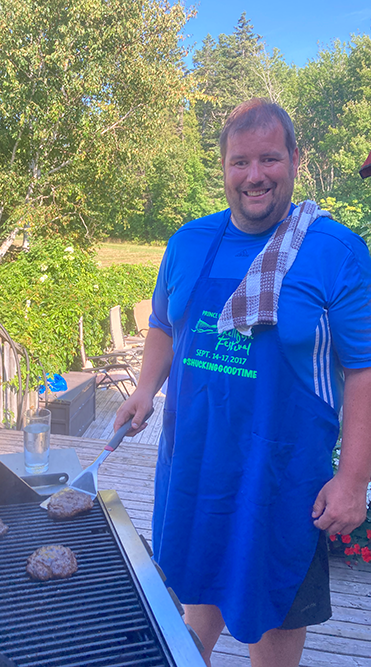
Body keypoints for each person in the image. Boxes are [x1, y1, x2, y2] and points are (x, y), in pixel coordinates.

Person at [114, 98, 371, 667]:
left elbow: (364, 370)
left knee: (273, 619)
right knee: (196, 597)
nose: (254, 176)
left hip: (282, 480)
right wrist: (142, 390)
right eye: (240, 161)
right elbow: (162, 325)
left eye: (269, 159)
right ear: (224, 167)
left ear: (295, 161)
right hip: (194, 468)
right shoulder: (188, 243)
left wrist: (353, 479)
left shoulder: (337, 253)